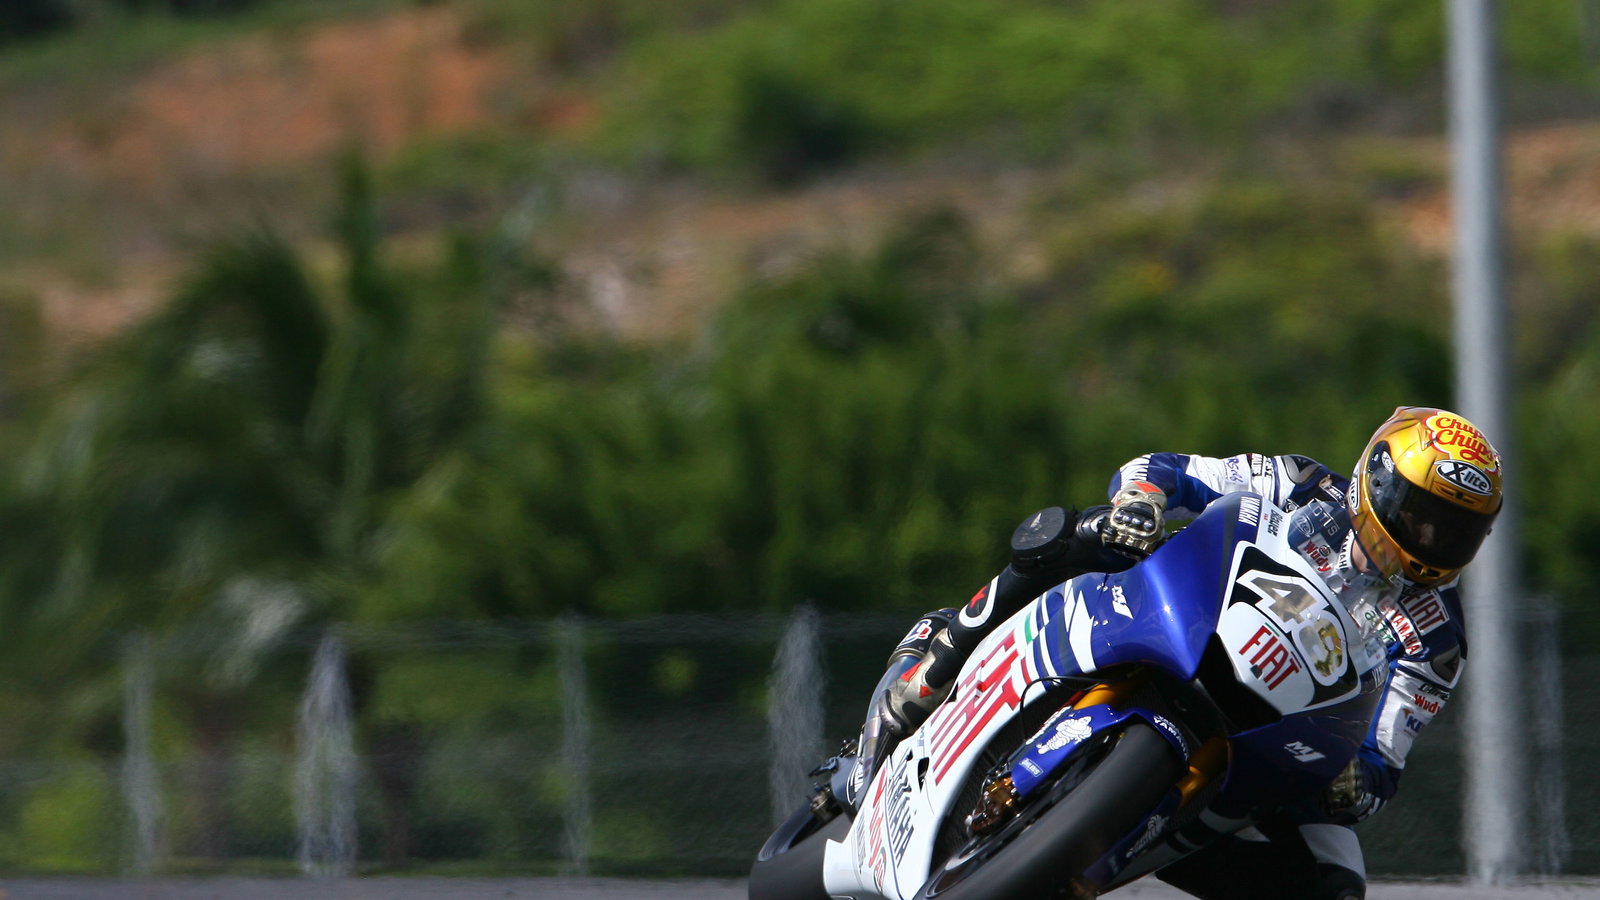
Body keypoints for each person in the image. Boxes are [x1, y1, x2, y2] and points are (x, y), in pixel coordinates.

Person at [877, 406, 1503, 900]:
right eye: (1420, 514)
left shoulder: (1439, 642)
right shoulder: (1300, 484)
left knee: (1338, 883)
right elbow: (1169, 469)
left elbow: (1384, 758)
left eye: (1457, 530)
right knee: (1076, 534)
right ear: (1379, 478)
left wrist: (1355, 782)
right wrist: (1141, 501)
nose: (1431, 538)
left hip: (1268, 741)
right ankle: (936, 659)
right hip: (1182, 620)